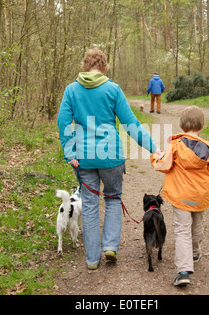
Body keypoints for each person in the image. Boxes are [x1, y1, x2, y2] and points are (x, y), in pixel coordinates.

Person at [57, 48, 160, 270]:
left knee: (91, 206)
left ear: (85, 65)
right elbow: (131, 124)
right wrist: (153, 148)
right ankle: (110, 247)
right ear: (104, 67)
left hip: (84, 159)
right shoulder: (112, 89)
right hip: (111, 157)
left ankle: (92, 259)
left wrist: (70, 154)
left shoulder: (71, 91)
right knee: (113, 199)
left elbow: (63, 124)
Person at [150, 106, 209, 287]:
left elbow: (162, 165)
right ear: (202, 126)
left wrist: (154, 156)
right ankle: (195, 251)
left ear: (182, 125)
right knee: (197, 225)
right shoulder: (208, 149)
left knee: (182, 229)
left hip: (180, 196)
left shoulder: (176, 145)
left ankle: (183, 271)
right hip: (200, 196)